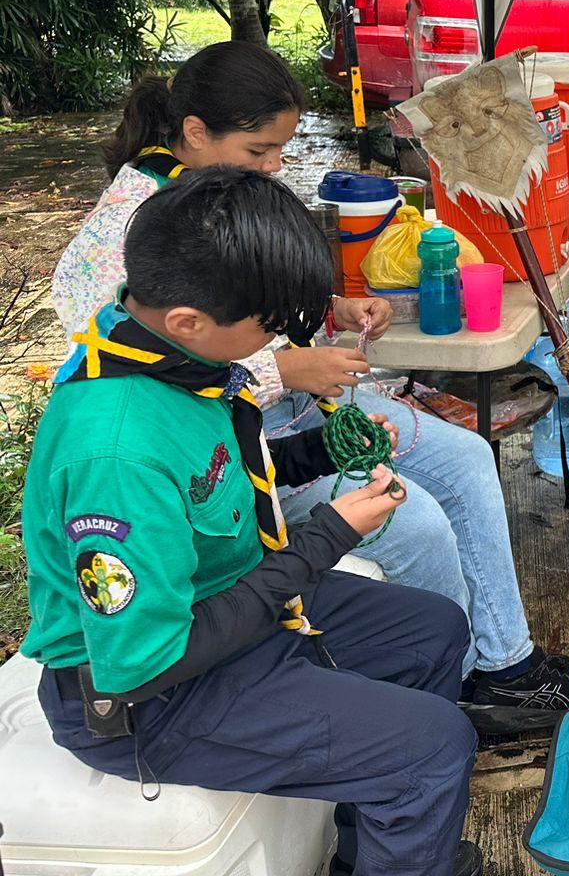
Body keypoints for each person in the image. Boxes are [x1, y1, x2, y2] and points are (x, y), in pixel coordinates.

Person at [52, 42, 569, 736]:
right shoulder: (127, 228)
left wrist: (322, 309)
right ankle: (458, 683)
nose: (274, 167)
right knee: (417, 524)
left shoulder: (217, 189)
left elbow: (245, 295)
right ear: (195, 132)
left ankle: (507, 664)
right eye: (260, 150)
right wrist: (283, 369)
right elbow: (124, 368)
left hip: (290, 411)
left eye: (280, 151)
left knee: (466, 458)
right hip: (232, 443)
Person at [23, 167, 484, 876]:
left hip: (229, 610)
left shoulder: (168, 358)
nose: (276, 341)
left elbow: (215, 483)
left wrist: (318, 452)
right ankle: (405, 816)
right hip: (155, 699)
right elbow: (148, 663)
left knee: (433, 632)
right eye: (268, 326)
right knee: (435, 747)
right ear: (189, 320)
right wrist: (329, 535)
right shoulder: (115, 451)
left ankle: (376, 851)